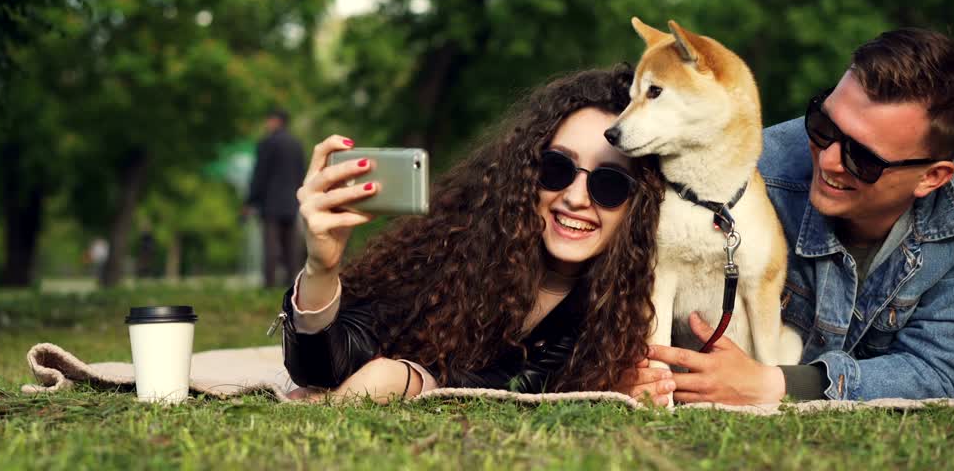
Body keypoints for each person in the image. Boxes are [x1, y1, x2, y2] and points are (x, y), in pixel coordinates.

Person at [619, 28, 954, 404]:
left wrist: (776, 383)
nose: (828, 160)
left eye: (862, 158)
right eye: (822, 125)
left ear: (931, 177)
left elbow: (939, 369)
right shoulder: (750, 171)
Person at [280, 66, 667, 401]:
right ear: (526, 172)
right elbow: (320, 370)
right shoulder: (458, 248)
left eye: (610, 184)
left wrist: (407, 381)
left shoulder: (649, 301)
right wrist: (321, 267)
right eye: (557, 168)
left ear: (642, 204)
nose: (576, 198)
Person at [243, 108, 308, 288]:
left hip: (270, 202)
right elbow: (301, 174)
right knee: (290, 245)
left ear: (275, 121)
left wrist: (250, 201)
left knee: (271, 245)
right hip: (292, 201)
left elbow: (260, 174)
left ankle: (269, 283)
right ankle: (292, 284)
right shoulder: (297, 144)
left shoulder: (267, 143)